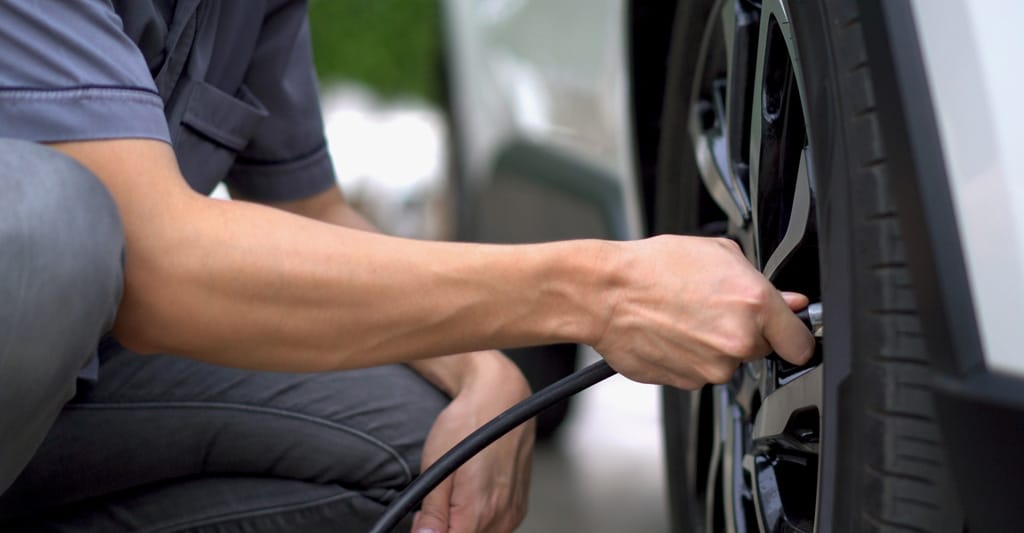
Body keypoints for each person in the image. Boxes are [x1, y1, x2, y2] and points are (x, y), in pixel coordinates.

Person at [0, 1, 815, 531]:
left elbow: (308, 211)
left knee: (422, 456)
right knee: (51, 224)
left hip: (54, 398)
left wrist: (486, 372)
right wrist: (595, 290)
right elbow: (159, 263)